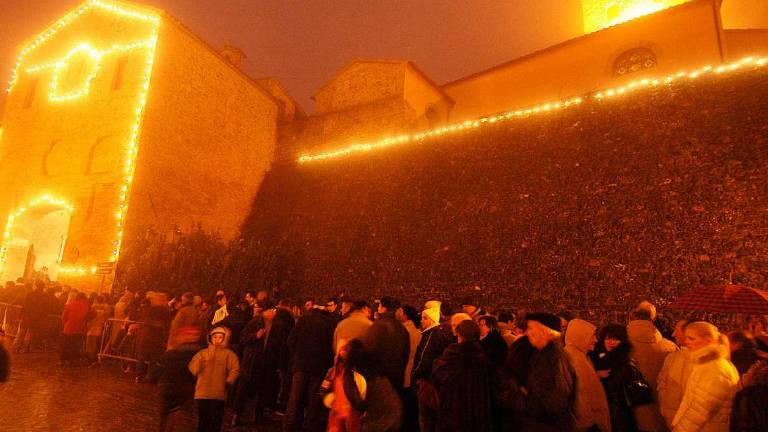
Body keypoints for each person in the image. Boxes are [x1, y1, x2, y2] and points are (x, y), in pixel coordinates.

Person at [501, 312, 577, 432]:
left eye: (531, 328)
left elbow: (553, 404)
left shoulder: (552, 359)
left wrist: (522, 396)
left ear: (544, 331)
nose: (527, 332)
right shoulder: (541, 354)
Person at [671, 321, 739, 432]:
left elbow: (699, 411)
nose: (686, 341)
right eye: (687, 337)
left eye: (692, 339)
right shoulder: (705, 364)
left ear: (708, 341)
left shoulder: (715, 369)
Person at [284, 298, 338, 432]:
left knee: (295, 398)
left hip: (300, 365)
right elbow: (331, 348)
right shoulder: (329, 324)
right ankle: (308, 426)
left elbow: (290, 340)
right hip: (318, 368)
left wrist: (297, 355)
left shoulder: (303, 320)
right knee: (313, 400)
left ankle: (290, 426)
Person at [326, 339, 403, 432]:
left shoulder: (351, 372)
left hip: (375, 419)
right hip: (395, 412)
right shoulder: (373, 366)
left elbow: (356, 401)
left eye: (344, 349)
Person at [432, 319, 492, 432]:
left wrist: (436, 362)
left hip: (454, 404)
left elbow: (439, 375)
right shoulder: (480, 353)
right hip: (475, 406)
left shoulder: (454, 352)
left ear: (461, 334)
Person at [627, 307, 677, 432]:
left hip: (630, 411)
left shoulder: (620, 346)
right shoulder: (670, 347)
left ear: (630, 319)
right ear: (652, 320)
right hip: (661, 410)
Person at [189, 326, 240, 432]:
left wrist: (229, 381)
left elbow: (235, 368)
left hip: (219, 393)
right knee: (203, 419)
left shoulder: (229, 355)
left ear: (224, 339)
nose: (217, 340)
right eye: (215, 337)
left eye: (220, 337)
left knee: (216, 420)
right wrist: (198, 366)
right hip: (202, 392)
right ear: (210, 338)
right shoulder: (203, 353)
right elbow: (193, 366)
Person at [412, 304, 454, 432]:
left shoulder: (431, 335)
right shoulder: (443, 333)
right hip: (436, 383)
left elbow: (424, 358)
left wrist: (415, 374)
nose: (421, 321)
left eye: (424, 318)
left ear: (432, 320)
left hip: (427, 382)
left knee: (426, 419)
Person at [151, 326, 202, 432]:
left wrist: (152, 378)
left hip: (170, 385)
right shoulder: (199, 353)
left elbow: (160, 367)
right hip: (184, 386)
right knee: (176, 413)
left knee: (167, 414)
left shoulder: (172, 353)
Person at [564, 319, 611, 432]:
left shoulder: (578, 355)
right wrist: (592, 423)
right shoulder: (576, 360)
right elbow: (582, 396)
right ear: (580, 336)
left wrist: (595, 375)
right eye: (591, 336)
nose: (595, 340)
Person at [593, 324, 638, 432]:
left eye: (616, 339)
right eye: (608, 338)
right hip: (600, 406)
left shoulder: (623, 359)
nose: (611, 342)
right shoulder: (594, 355)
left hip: (618, 407)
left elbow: (615, 383)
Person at [363, 296, 410, 393]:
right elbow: (405, 354)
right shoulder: (402, 329)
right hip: (397, 378)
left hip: (379, 380)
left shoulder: (376, 327)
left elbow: (368, 353)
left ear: (383, 308)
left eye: (379, 305)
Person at [658, 319, 694, 428]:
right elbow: (662, 382)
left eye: (677, 330)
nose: (673, 334)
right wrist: (665, 407)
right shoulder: (672, 357)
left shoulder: (704, 361)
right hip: (672, 418)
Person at [730, 360, 768, 432]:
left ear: (754, 375)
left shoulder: (747, 395)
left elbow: (742, 425)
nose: (743, 376)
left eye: (747, 373)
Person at [60, 291, 90, 366]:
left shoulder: (71, 304)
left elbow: (64, 315)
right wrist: (86, 320)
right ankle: (73, 360)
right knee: (76, 345)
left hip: (69, 327)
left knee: (66, 345)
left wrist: (64, 323)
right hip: (80, 328)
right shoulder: (87, 305)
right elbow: (93, 313)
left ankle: (64, 360)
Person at [85, 295, 112, 364]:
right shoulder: (106, 307)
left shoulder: (93, 306)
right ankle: (94, 356)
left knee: (90, 342)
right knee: (97, 342)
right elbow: (107, 317)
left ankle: (89, 356)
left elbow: (89, 315)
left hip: (92, 326)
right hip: (100, 326)